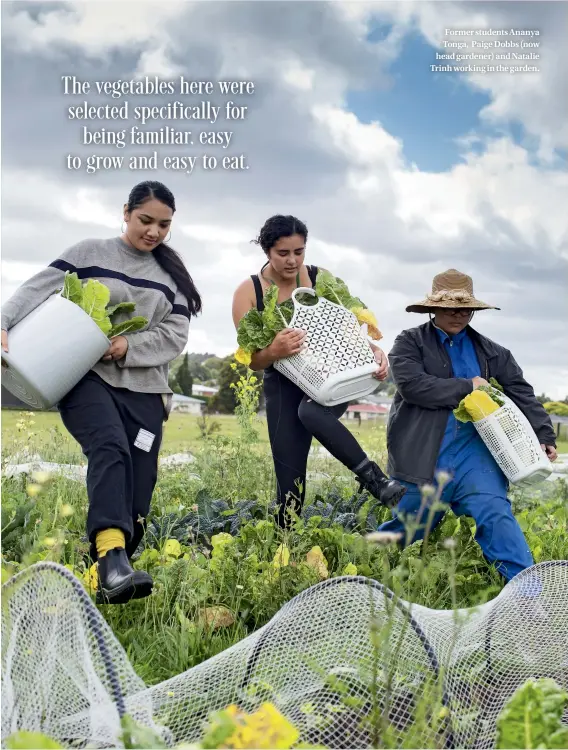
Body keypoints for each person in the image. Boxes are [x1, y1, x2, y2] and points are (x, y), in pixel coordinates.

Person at [1, 180, 201, 603]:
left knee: (140, 482)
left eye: (164, 225)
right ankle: (111, 563)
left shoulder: (172, 277)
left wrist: (129, 345)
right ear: (125, 211)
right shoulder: (89, 253)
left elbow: (175, 335)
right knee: (109, 447)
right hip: (83, 375)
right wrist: (3, 323)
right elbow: (36, 289)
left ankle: (109, 572)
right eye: (146, 220)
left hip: (145, 388)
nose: (154, 232)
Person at [379, 268, 557, 582]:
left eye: (465, 308)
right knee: (408, 527)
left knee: (495, 516)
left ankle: (527, 596)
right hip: (422, 457)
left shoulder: (492, 352)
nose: (458, 314)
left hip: (475, 457)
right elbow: (412, 386)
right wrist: (468, 387)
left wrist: (544, 432)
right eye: (450, 308)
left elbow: (520, 390)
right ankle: (367, 570)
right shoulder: (409, 343)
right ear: (433, 308)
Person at [232, 214, 407, 527]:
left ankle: (377, 482)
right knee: (289, 487)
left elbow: (349, 328)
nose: (292, 261)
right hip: (284, 383)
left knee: (312, 412)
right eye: (283, 253)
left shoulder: (320, 278)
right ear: (267, 251)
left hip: (333, 375)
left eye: (299, 252)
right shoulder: (249, 292)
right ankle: (284, 552)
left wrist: (374, 352)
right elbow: (253, 360)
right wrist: (274, 351)